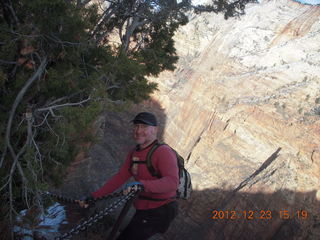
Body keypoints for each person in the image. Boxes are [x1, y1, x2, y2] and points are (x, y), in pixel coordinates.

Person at [79, 112, 179, 240]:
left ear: (155, 130)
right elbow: (119, 178)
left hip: (160, 210)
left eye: (143, 127)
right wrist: (94, 197)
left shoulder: (163, 152)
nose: (138, 131)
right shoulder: (134, 153)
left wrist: (142, 185)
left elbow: (172, 182)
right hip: (144, 208)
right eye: (136, 126)